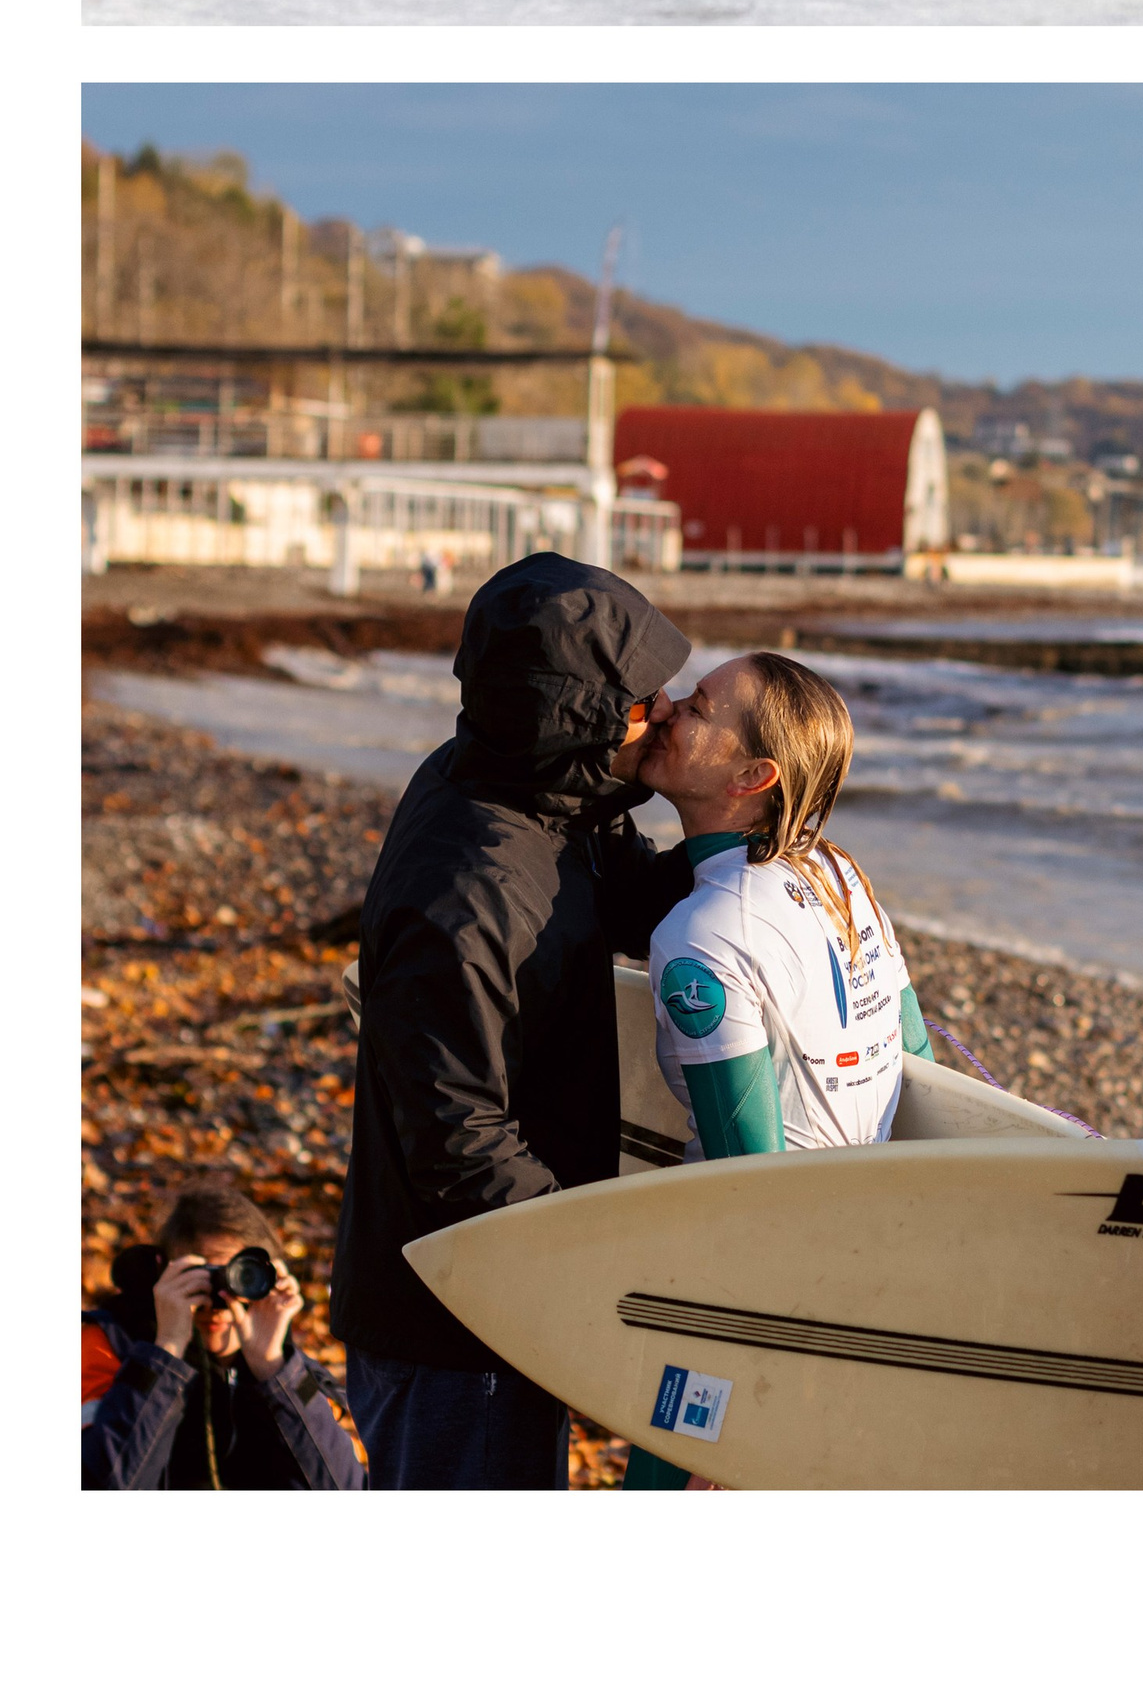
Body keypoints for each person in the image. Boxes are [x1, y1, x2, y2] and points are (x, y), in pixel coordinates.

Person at [330, 552, 693, 1489]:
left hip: (499, 1296)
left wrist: (757, 852)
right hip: (457, 1329)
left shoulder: (538, 789)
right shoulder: (473, 891)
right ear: (581, 716)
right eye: (649, 699)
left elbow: (639, 905)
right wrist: (594, 1275)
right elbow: (459, 1144)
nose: (669, 711)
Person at [623, 649, 925, 1490]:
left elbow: (746, 1182)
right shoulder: (841, 878)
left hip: (748, 1282)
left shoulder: (703, 936)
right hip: (860, 1259)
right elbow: (920, 1064)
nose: (672, 706)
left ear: (752, 773)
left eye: (701, 705)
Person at [83, 1170, 364, 1489]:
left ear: (268, 1280)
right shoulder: (105, 1344)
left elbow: (346, 1491)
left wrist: (275, 1371)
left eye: (239, 1277)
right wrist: (165, 1354)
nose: (218, 1300)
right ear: (162, 1273)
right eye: (200, 1275)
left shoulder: (290, 1372)